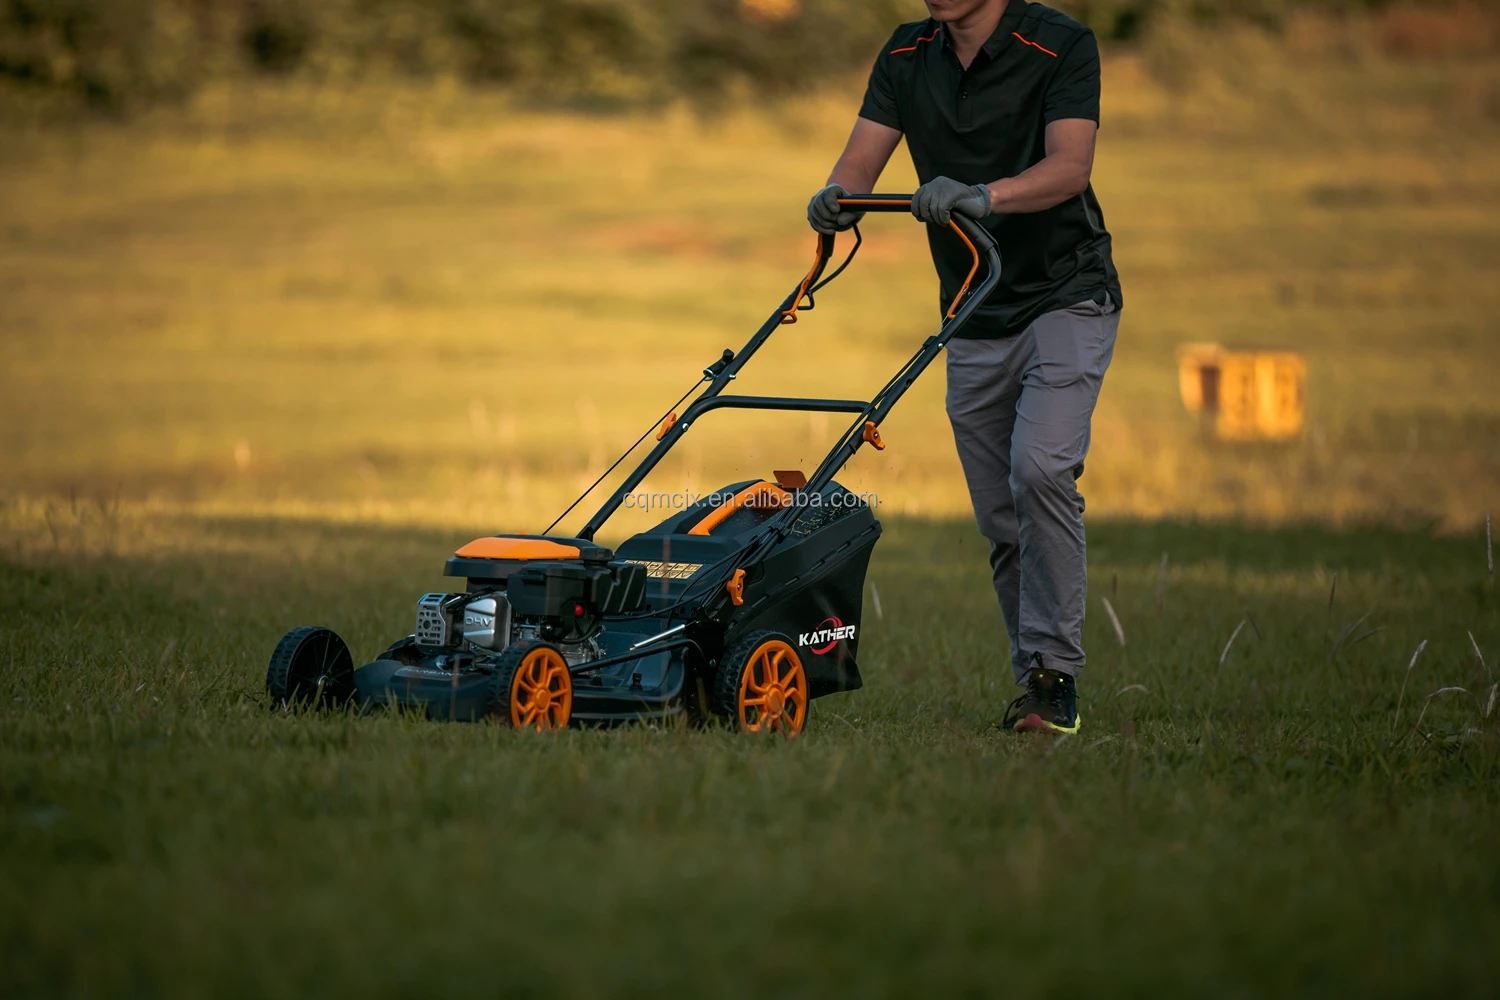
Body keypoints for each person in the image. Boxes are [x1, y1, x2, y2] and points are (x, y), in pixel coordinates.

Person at [807, 0, 1122, 734]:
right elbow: (857, 165)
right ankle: (1034, 681)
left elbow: (1070, 167)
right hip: (973, 308)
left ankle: (1055, 677)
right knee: (1004, 515)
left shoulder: (1062, 45)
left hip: (1066, 293)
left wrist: (984, 197)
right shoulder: (905, 54)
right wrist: (836, 200)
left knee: (1039, 469)